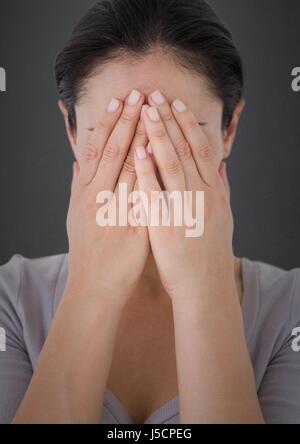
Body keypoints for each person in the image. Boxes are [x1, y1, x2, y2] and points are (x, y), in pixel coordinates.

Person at [0, 0, 299, 424]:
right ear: (71, 129)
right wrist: (92, 290)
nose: (145, 166)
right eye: (116, 138)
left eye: (174, 137)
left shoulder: (291, 311)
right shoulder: (9, 301)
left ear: (228, 128)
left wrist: (204, 292)